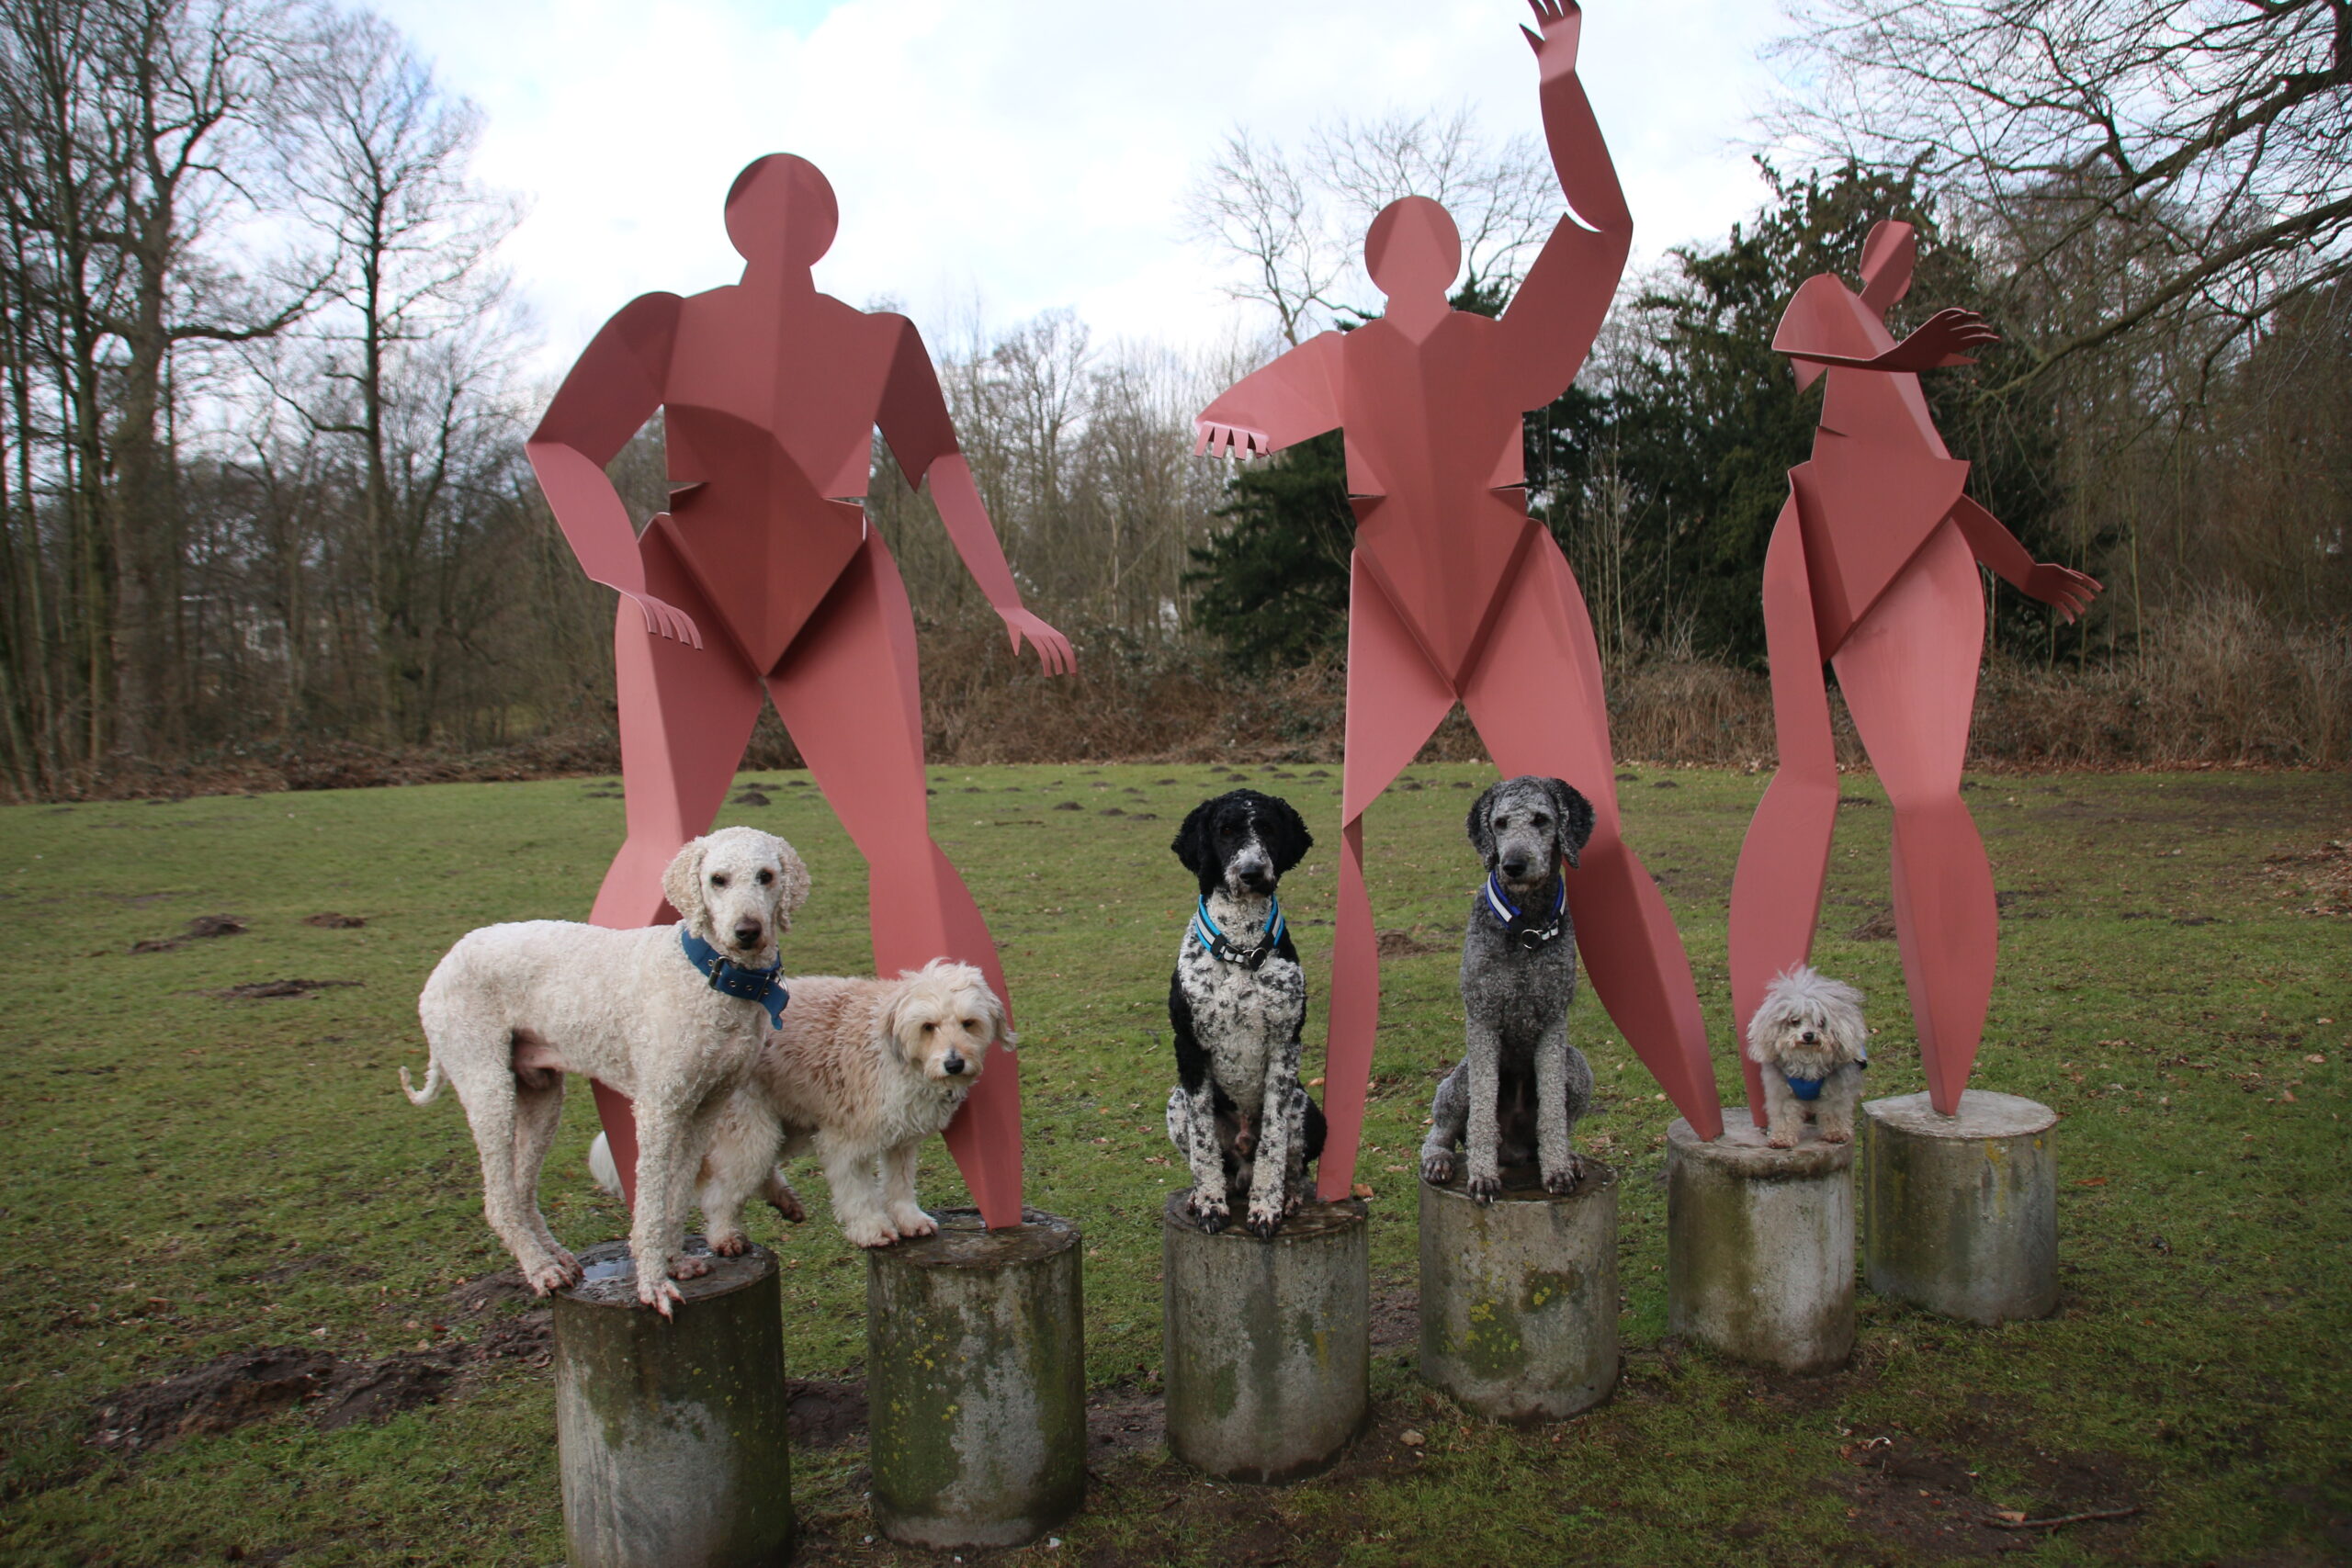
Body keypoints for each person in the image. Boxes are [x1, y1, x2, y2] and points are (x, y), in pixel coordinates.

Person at [1195, 0, 1724, 1195]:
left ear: (1447, 262)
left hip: (1514, 591)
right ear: (1381, 267)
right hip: (1394, 605)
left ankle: (1705, 1103)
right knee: (1345, 849)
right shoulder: (1348, 358)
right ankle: (1325, 1175)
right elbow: (1247, 407)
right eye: (1400, 248)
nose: (1417, 263)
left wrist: (1562, 92)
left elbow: (1602, 227)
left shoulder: (1502, 344)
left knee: (1610, 842)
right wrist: (1231, 427)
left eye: (1432, 246)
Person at [527, 153, 1074, 1226]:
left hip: (841, 587)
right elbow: (561, 446)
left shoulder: (882, 340)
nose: (783, 229)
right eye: (765, 212)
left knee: (907, 848)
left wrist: (1008, 599)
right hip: (685, 583)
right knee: (657, 853)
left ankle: (993, 1202)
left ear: (827, 230)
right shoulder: (664, 322)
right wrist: (622, 574)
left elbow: (943, 466)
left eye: (804, 213)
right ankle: (652, 1196)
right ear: (733, 221)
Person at [1727, 220, 2098, 1118]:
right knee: (1804, 779)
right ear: (1866, 259)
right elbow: (1796, 354)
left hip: (1920, 556)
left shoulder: (1905, 379)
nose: (1900, 260)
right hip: (1824, 540)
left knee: (1929, 799)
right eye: (1890, 248)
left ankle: (1948, 1081)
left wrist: (2027, 572)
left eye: (1912, 251)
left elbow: (1938, 488)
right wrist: (1899, 357)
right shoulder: (1829, 302)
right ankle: (1760, 1072)